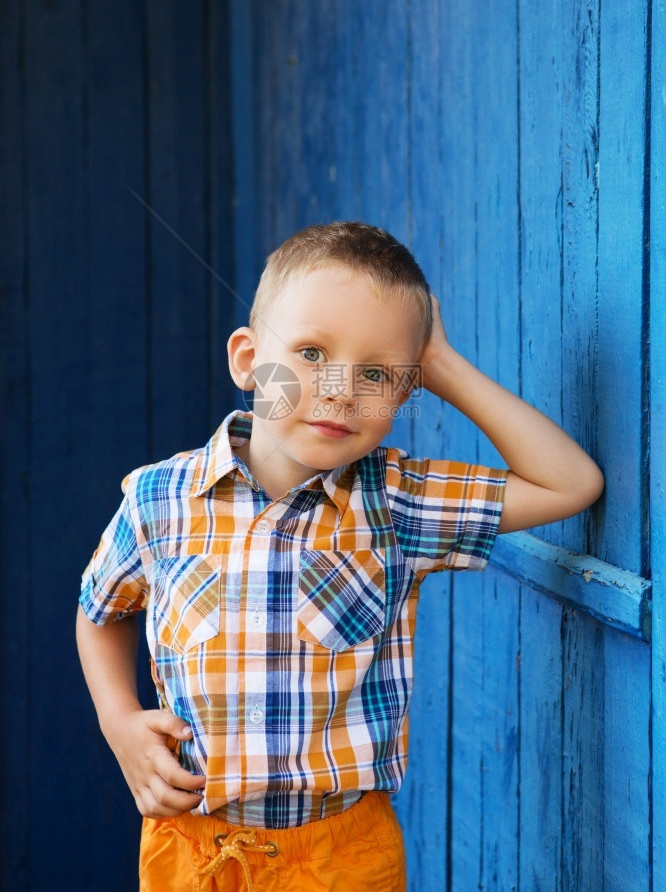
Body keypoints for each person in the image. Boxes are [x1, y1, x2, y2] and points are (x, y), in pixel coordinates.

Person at [76, 221, 604, 891]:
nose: (340, 389)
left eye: (378, 373)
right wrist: (119, 721)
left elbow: (570, 483)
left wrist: (441, 365)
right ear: (247, 360)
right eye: (310, 352)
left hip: (343, 857)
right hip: (195, 852)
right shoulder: (161, 499)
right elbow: (101, 610)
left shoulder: (395, 502)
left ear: (407, 392)